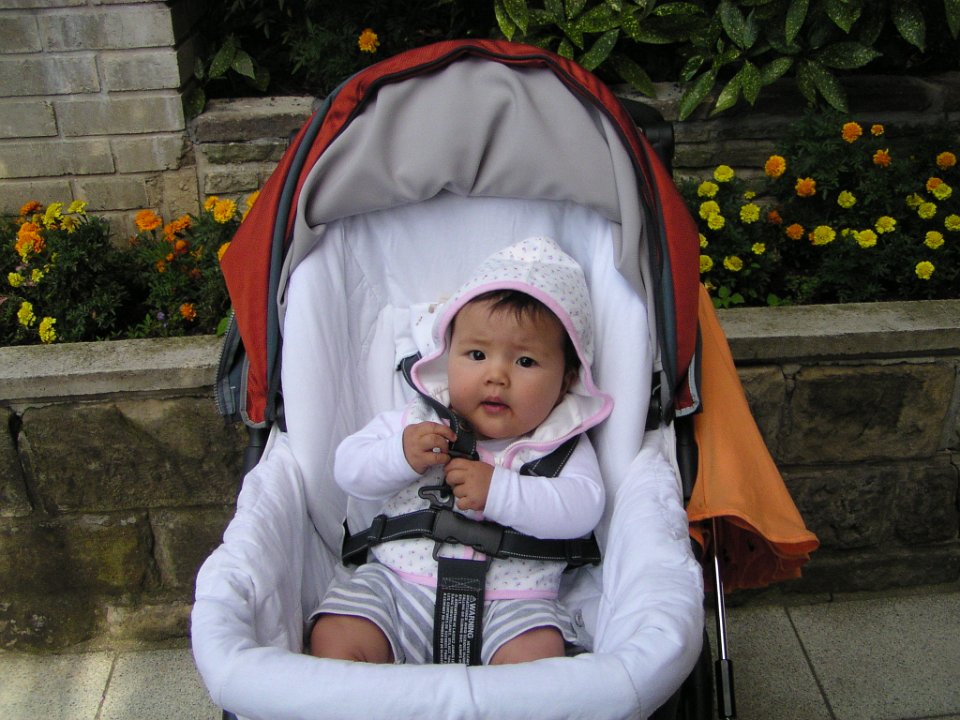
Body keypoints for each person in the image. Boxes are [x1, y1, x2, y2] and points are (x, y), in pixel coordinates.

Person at [309, 236, 614, 666]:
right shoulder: (418, 419)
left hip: (513, 604)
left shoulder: (560, 444)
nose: (497, 376)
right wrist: (399, 456)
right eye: (476, 354)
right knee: (337, 633)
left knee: (539, 656)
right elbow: (347, 468)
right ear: (446, 358)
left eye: (525, 362)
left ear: (566, 381)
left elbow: (584, 509)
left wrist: (501, 492)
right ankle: (366, 693)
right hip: (398, 586)